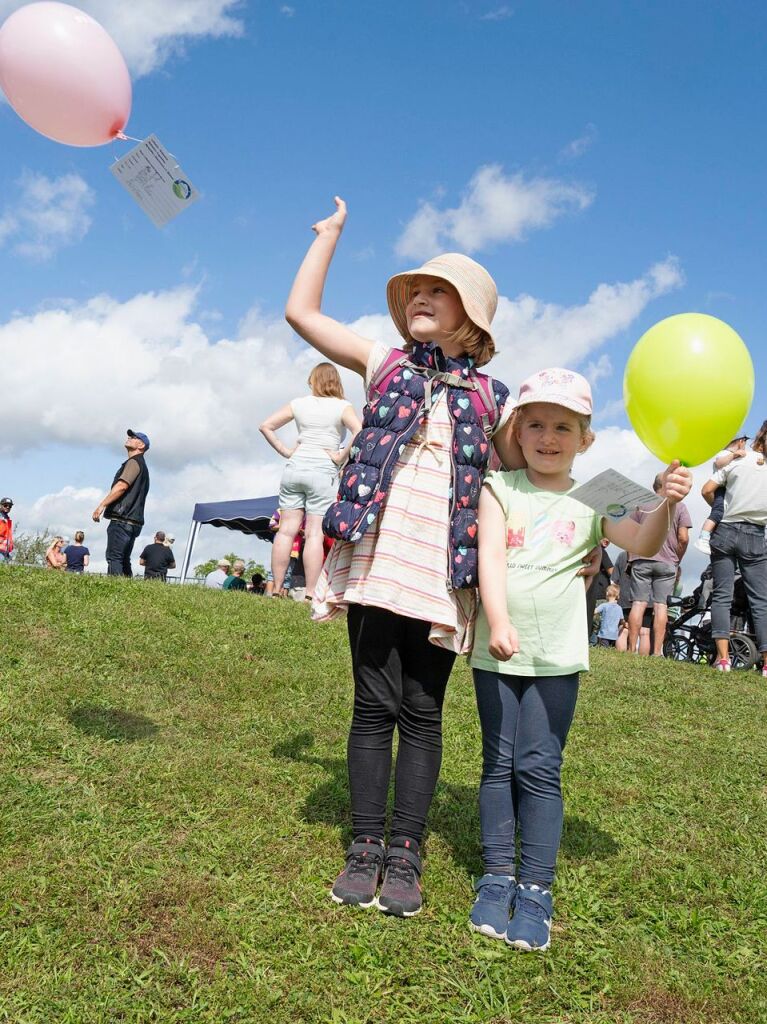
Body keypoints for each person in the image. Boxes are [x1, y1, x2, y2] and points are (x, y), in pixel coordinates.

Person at [285, 195, 532, 918]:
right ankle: (364, 845)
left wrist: (654, 501)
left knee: (423, 711)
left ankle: (405, 853)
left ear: (471, 318)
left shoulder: (493, 398)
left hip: (441, 570)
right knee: (372, 704)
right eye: (413, 291)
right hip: (377, 556)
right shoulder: (382, 360)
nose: (419, 297)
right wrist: (327, 237)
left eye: (437, 291)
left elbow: (530, 472)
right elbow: (303, 313)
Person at [468, 368, 692, 952]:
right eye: (535, 424)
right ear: (516, 430)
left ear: (585, 438)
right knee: (498, 763)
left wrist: (664, 505)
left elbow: (641, 542)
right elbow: (489, 554)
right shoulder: (499, 486)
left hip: (559, 657)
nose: (548, 436)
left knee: (539, 767)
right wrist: (499, 618)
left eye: (563, 427)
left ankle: (536, 888)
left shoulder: (602, 490)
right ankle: (496, 875)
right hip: (496, 649)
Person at [260, 363, 362, 600]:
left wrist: (285, 451)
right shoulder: (342, 406)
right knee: (314, 534)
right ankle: (310, 593)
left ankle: (276, 589)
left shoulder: (299, 403)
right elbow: (359, 429)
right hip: (323, 470)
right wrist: (340, 456)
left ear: (313, 381)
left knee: (285, 531)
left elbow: (265, 426)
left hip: (295, 467)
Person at [701, 420, 767, 674]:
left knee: (722, 595)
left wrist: (720, 510)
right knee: (760, 601)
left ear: (759, 435)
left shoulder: (740, 459)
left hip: (726, 530)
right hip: (755, 534)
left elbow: (707, 490)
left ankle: (724, 659)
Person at [626, 475, 691, 657]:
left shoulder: (641, 505)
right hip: (668, 562)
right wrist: (677, 560)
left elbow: (629, 532)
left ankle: (631, 649)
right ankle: (657, 651)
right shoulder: (680, 506)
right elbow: (684, 538)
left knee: (638, 604)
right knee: (661, 606)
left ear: (654, 486)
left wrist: (632, 557)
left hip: (641, 558)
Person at [92, 430, 150, 577]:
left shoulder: (134, 462)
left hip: (122, 518)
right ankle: (128, 591)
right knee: (123, 559)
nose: (129, 438)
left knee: (114, 557)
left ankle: (115, 590)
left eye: (133, 437)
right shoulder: (142, 466)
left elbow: (121, 486)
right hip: (134, 520)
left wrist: (102, 505)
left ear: (141, 445)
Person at [694, 435, 749, 554]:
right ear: (741, 442)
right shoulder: (725, 453)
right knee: (717, 512)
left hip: (728, 490)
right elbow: (719, 463)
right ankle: (703, 537)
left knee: (722, 515)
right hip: (720, 489)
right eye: (745, 443)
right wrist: (734, 455)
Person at [611, 551, 651, 654]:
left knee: (624, 629)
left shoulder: (623, 555)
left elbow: (614, 580)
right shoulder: (652, 554)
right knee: (644, 632)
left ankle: (621, 657)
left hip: (625, 597)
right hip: (646, 598)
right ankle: (643, 661)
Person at [0, 497, 14, 562]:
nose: (8, 507)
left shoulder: (7, 519)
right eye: (5, 505)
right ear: (1, 505)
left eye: (10, 506)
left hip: (5, 550)